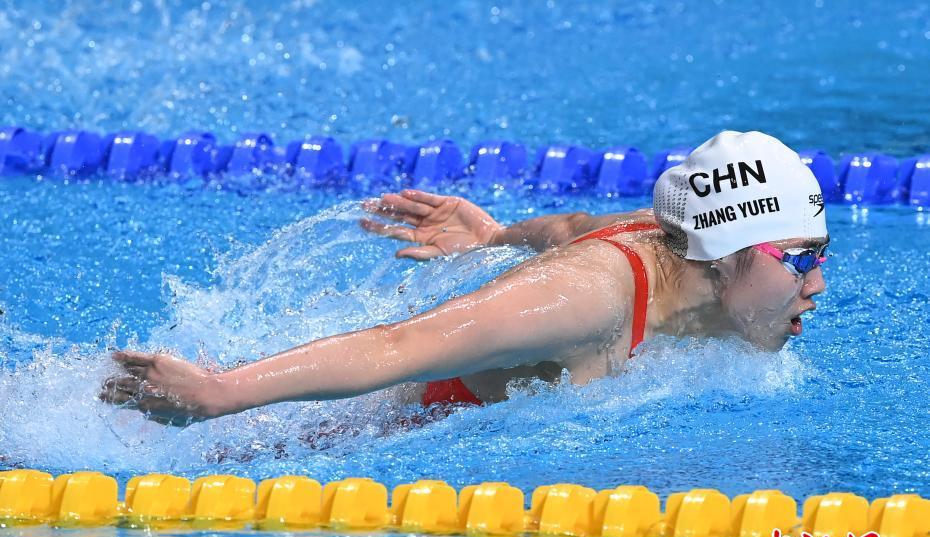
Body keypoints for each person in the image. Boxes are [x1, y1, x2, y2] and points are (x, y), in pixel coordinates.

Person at [100, 130, 829, 426]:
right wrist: (222, 393)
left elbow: (573, 226)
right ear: (729, 252)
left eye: (819, 255)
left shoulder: (670, 239)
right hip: (330, 432)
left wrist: (492, 236)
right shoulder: (587, 298)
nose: (816, 282)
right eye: (798, 258)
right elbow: (401, 344)